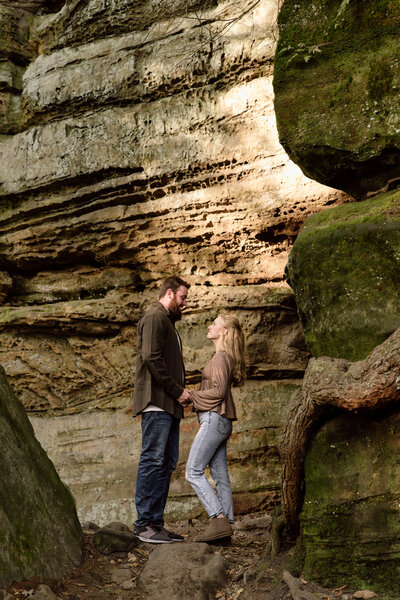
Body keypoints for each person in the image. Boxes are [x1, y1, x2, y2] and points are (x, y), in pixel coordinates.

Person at [133, 276, 191, 544]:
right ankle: (143, 524)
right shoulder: (155, 317)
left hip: (169, 406)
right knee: (153, 460)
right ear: (169, 293)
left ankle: (156, 523)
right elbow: (151, 358)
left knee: (166, 463)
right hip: (157, 403)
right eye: (182, 297)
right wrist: (178, 391)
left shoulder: (166, 322)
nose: (185, 303)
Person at [186, 313, 246, 542]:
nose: (209, 326)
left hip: (214, 419)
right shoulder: (226, 357)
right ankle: (226, 528)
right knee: (220, 475)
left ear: (225, 332)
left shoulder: (221, 358)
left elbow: (219, 392)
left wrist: (192, 395)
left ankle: (218, 518)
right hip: (222, 422)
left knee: (192, 471)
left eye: (215, 324)